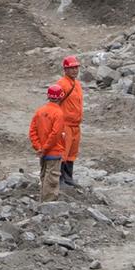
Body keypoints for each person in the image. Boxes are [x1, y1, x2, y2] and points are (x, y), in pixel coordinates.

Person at [30, 85, 69, 200]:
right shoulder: (58, 113)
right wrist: (45, 149)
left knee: (44, 176)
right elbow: (55, 134)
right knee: (51, 179)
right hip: (53, 152)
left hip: (42, 153)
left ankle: (43, 200)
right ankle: (48, 203)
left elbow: (32, 131)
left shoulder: (40, 111)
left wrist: (39, 147)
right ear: (60, 97)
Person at [53, 55, 85, 187]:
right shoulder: (62, 84)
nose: (75, 70)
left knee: (72, 152)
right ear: (65, 69)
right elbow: (54, 103)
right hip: (65, 124)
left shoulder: (77, 84)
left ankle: (68, 177)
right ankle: (60, 179)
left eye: (76, 67)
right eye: (72, 68)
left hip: (75, 125)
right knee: (63, 152)